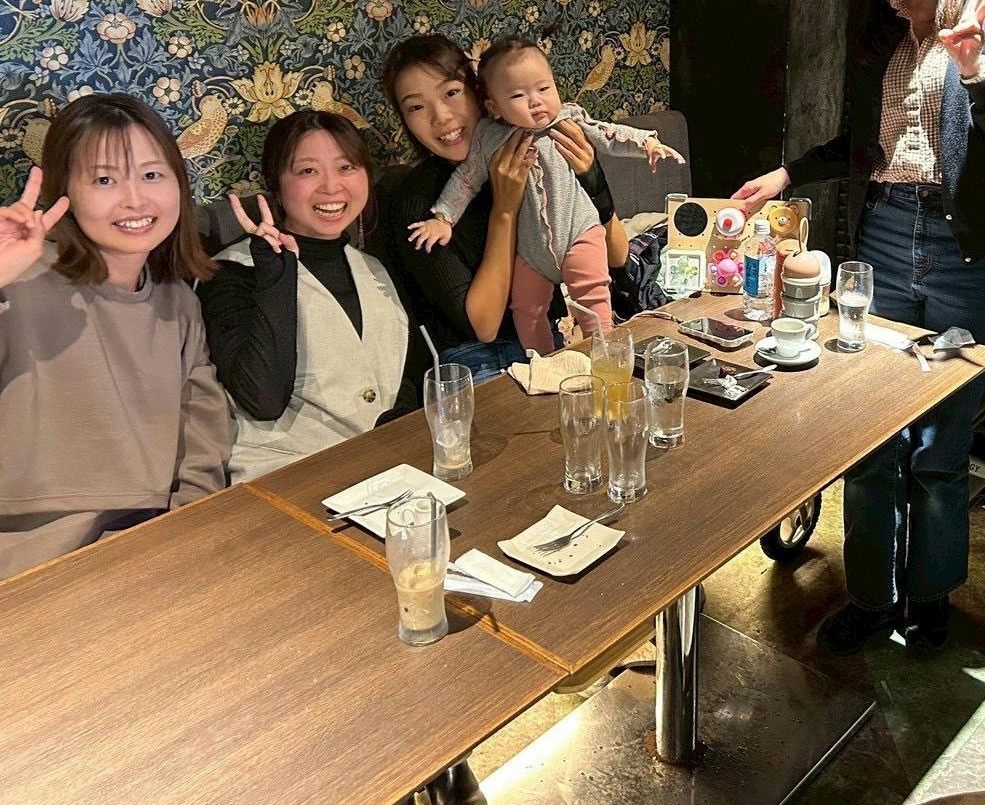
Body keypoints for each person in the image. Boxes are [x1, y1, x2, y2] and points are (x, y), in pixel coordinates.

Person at [732, 0, 985, 653]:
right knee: (868, 435)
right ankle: (872, 597)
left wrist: (976, 69)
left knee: (940, 447)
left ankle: (930, 597)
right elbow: (867, 138)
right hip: (882, 232)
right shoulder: (878, 11)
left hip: (968, 251)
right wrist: (789, 173)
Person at [0, 94, 229, 580]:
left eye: (152, 174)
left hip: (155, 546)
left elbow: (202, 439)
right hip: (31, 554)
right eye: (105, 180)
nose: (135, 200)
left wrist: (188, 529)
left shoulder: (178, 301)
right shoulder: (20, 285)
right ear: (65, 191)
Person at [407, 37, 683, 354]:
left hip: (579, 231)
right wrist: (443, 218)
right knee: (526, 309)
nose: (535, 101)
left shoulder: (567, 119)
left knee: (592, 294)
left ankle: (604, 351)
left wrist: (646, 143)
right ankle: (543, 359)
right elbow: (466, 180)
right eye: (518, 95)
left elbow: (608, 133)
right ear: (493, 106)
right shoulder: (490, 138)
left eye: (543, 88)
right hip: (532, 250)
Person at [378, 35, 627, 381]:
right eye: (416, 107)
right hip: (475, 363)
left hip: (549, 341)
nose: (441, 117)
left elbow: (617, 256)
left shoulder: (538, 143)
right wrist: (505, 210)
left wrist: (593, 182)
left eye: (452, 93)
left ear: (481, 95)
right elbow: (485, 327)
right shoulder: (419, 203)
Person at [197, 111, 418, 482]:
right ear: (275, 185)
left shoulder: (373, 269)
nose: (332, 187)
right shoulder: (232, 272)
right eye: (307, 171)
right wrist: (276, 278)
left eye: (346, 167)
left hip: (386, 472)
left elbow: (403, 381)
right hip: (289, 482)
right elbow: (263, 401)